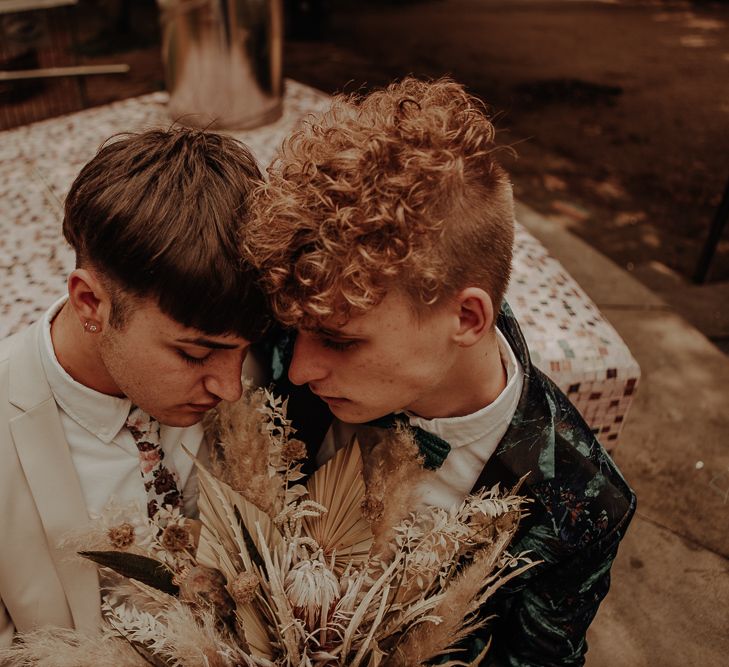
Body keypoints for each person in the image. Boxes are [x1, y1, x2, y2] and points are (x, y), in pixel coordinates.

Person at [244, 78, 636, 666]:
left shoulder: (582, 503)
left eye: (339, 341)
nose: (297, 369)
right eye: (299, 333)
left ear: (467, 317)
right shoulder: (296, 321)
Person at [0, 128, 269, 646]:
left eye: (243, 349)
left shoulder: (260, 370)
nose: (231, 387)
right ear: (89, 303)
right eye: (193, 353)